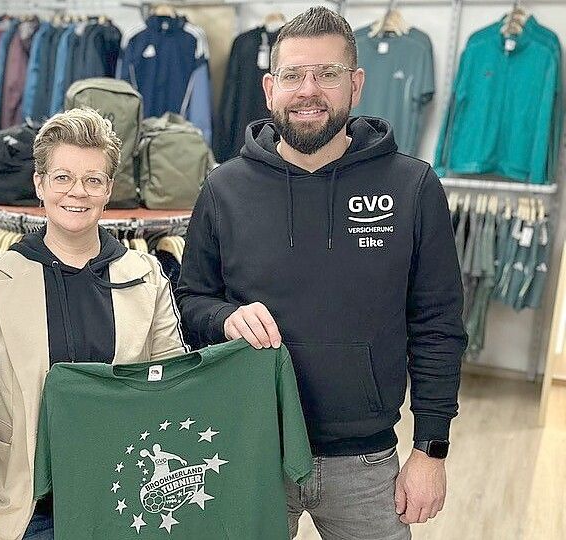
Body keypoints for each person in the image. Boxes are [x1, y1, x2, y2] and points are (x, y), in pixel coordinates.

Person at [175, 7, 467, 540]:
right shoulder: (224, 189)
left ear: (355, 84)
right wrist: (225, 318)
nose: (308, 89)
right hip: (249, 451)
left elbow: (438, 326)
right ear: (269, 87)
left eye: (327, 74)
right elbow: (189, 300)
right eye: (293, 75)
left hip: (367, 463)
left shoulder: (413, 187)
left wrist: (431, 448)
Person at [0, 107, 188, 540]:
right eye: (62, 177)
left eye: (93, 180)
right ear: (39, 183)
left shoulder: (146, 276)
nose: (77, 192)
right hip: (27, 508)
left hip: (125, 502)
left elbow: (172, 386)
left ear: (108, 188)